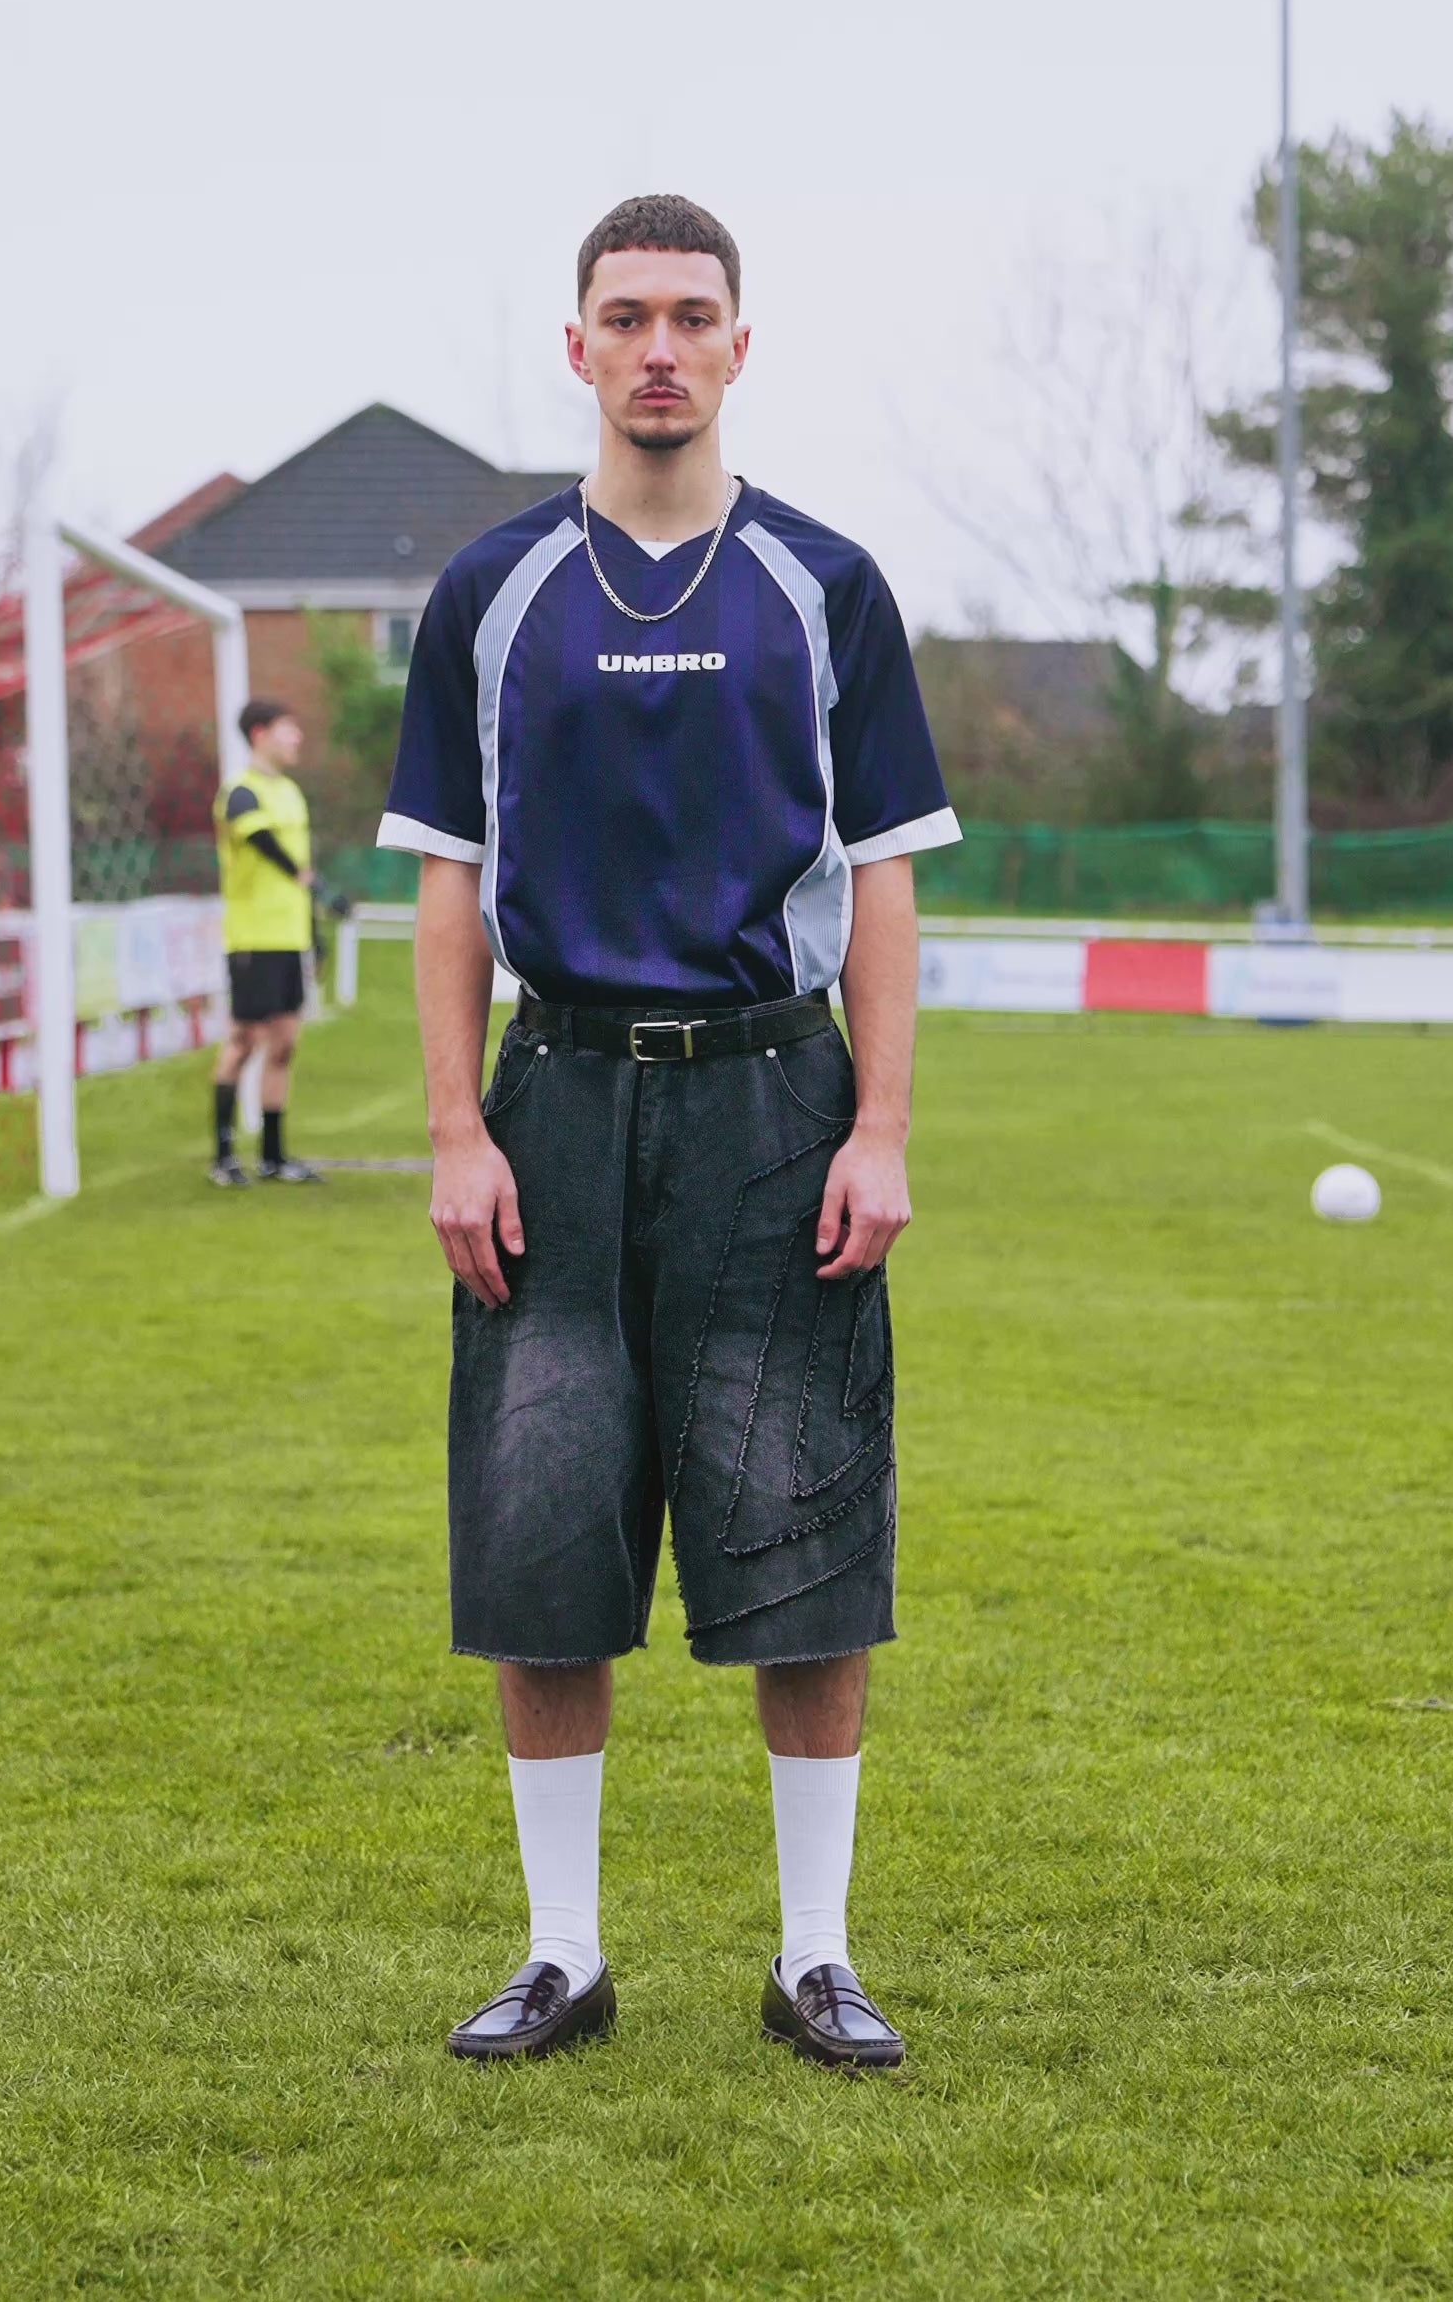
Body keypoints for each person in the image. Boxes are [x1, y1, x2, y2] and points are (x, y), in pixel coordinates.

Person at [377, 195, 959, 2069]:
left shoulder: (825, 585)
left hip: (775, 1101)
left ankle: (815, 1957)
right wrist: (456, 1128)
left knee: (803, 1525)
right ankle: (564, 1954)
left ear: (737, 347)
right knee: (543, 1530)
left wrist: (880, 1124)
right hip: (553, 1101)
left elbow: (885, 875)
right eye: (625, 315)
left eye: (691, 316)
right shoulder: (490, 595)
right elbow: (447, 881)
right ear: (577, 347)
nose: (658, 347)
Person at [210, 696, 323, 1187]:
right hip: (253, 938)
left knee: (284, 1043)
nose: (297, 737)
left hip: (290, 937)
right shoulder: (240, 793)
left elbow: (302, 873)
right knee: (245, 1041)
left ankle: (274, 1157)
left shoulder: (292, 793)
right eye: (287, 728)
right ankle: (223, 1156)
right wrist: (306, 879)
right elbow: (266, 846)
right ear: (259, 733)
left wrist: (314, 932)